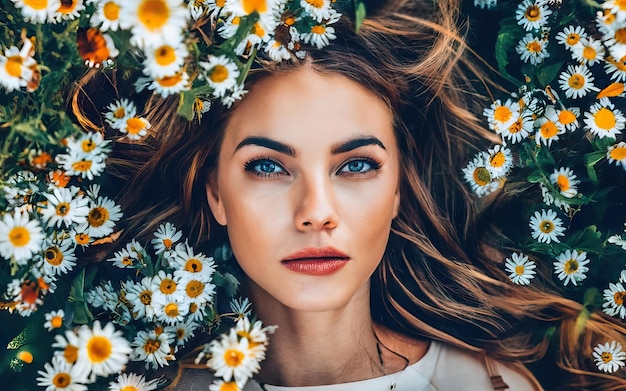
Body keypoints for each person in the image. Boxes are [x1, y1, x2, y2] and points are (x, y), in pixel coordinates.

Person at [75, 0, 626, 389]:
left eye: (356, 165)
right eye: (268, 166)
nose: (316, 212)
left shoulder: (486, 384)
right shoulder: (140, 384)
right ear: (216, 192)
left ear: (396, 191)